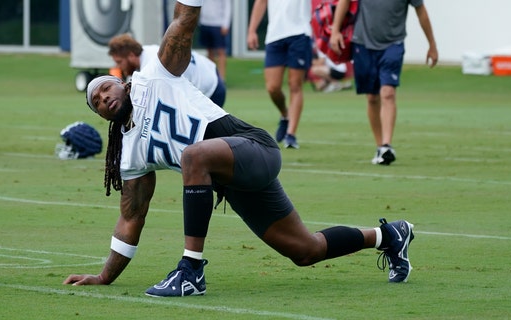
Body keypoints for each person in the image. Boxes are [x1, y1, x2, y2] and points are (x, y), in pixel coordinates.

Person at [63, 0, 416, 297]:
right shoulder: (129, 153)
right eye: (96, 100)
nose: (103, 97)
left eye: (105, 88)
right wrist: (104, 276)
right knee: (305, 250)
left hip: (252, 146)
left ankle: (191, 271)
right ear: (101, 115)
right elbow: (130, 218)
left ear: (122, 83)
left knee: (193, 154)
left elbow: (183, 22)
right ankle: (389, 235)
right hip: (229, 177)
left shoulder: (154, 75)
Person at [329, 0, 438, 165]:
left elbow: (420, 10)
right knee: (372, 98)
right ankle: (380, 145)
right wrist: (335, 30)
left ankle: (387, 145)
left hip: (393, 44)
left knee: (388, 93)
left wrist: (432, 44)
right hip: (362, 43)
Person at [247, 0, 312, 149]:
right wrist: (251, 31)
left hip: (300, 33)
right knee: (272, 87)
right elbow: (261, 2)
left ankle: (291, 135)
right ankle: (285, 115)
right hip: (275, 35)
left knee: (295, 85)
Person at [107, 33, 226, 108]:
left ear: (131, 55)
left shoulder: (151, 67)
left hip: (211, 89)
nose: (118, 66)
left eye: (119, 62)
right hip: (209, 71)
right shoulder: (148, 52)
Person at [198, 0, 231, 82]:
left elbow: (227, 6)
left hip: (218, 24)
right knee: (210, 51)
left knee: (221, 51)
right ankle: (211, 78)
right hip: (205, 22)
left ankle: (221, 79)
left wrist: (226, 24)